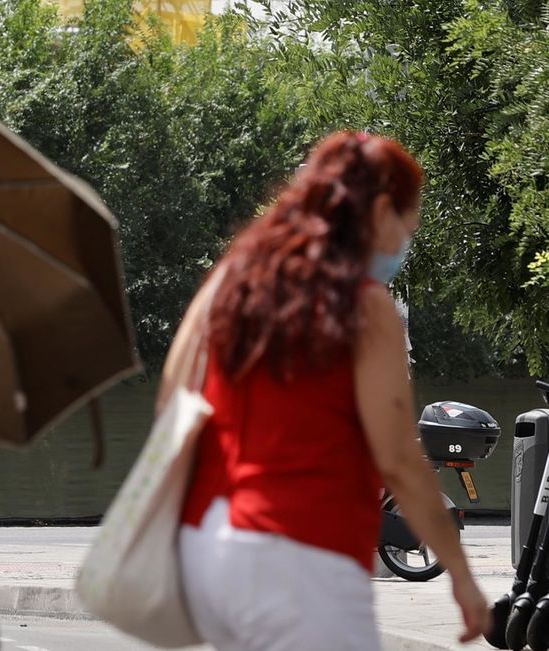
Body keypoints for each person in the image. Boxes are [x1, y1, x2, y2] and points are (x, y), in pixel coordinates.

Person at [168, 131, 488, 650]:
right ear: (381, 210)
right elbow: (399, 460)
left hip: (221, 553)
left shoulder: (232, 283)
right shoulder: (362, 306)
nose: (409, 233)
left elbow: (176, 401)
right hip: (309, 560)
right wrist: (462, 576)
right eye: (410, 217)